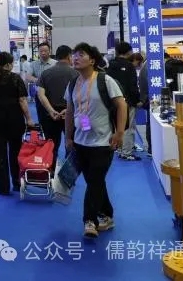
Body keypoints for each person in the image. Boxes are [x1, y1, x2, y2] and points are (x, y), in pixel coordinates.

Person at [64, 42, 127, 239]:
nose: (75, 58)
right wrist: (68, 136)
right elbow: (70, 112)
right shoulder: (73, 84)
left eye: (81, 54)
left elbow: (122, 105)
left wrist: (120, 133)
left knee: (95, 181)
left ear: (92, 60)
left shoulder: (105, 80)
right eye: (74, 54)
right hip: (81, 142)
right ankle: (107, 214)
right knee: (94, 181)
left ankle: (89, 220)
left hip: (103, 142)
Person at [0, 51, 35, 195]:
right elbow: (22, 100)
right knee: (16, 151)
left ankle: (2, 187)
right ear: (8, 64)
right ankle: (17, 182)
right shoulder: (15, 78)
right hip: (14, 118)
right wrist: (29, 118)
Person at [36, 45, 78, 169]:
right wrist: (68, 110)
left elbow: (40, 94)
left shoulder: (45, 73)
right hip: (70, 114)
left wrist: (51, 111)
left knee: (50, 145)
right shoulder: (76, 73)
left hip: (50, 116)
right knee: (71, 143)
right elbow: (80, 96)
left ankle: (50, 171)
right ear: (69, 56)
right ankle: (68, 173)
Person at [107, 41, 141, 161]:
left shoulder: (110, 65)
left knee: (116, 125)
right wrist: (137, 100)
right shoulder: (129, 66)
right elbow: (132, 86)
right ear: (129, 52)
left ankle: (119, 148)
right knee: (128, 127)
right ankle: (126, 152)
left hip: (112, 101)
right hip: (127, 101)